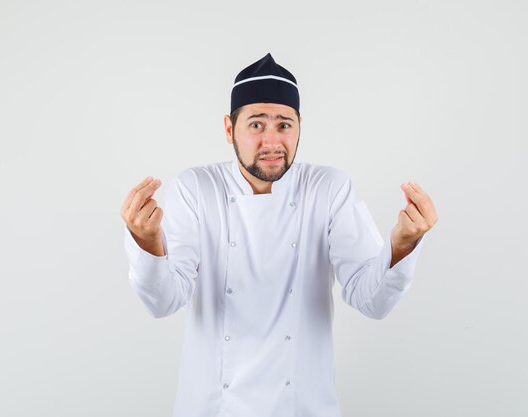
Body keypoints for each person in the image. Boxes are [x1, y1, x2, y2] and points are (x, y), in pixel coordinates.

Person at [120, 53, 438, 417]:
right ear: (229, 129)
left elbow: (373, 301)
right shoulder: (197, 188)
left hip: (303, 407)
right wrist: (147, 242)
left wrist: (401, 245)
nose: (272, 141)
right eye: (256, 125)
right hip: (213, 407)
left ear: (300, 126)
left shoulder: (328, 188)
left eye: (284, 125)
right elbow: (163, 302)